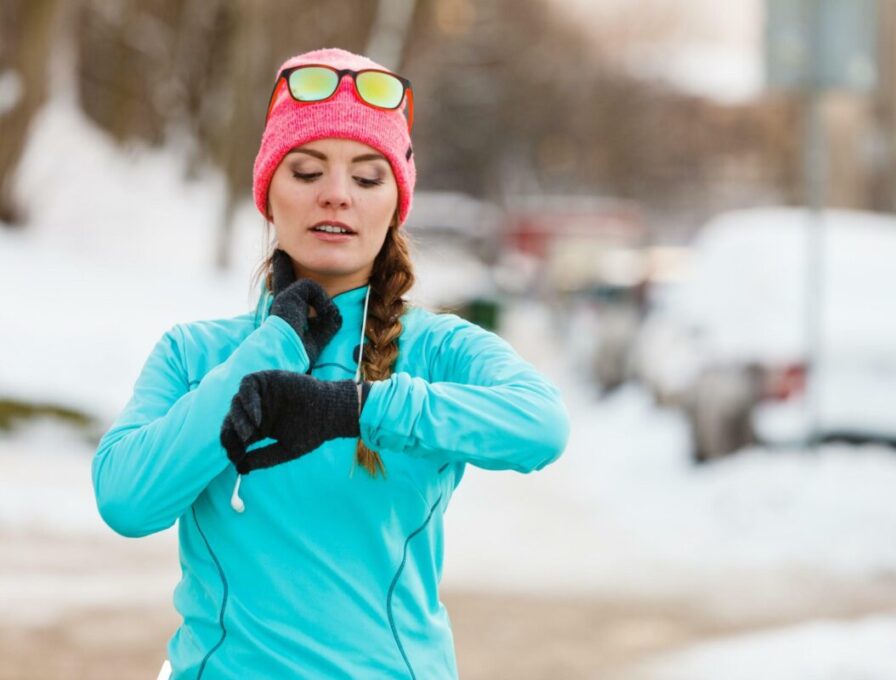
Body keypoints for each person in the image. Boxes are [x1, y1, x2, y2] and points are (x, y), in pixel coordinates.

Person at [91, 47, 570, 680]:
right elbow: (127, 499)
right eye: (307, 171)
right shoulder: (195, 353)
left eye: (367, 178)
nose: (336, 196)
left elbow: (540, 425)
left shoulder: (436, 349)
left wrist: (353, 407)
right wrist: (276, 344)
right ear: (268, 195)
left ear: (394, 204)